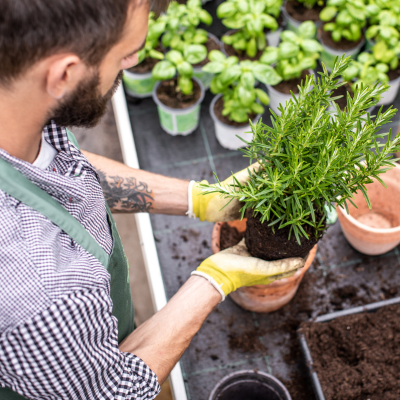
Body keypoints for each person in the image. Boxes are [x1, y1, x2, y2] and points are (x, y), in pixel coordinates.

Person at [0, 0, 305, 399]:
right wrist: (215, 280)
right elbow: (114, 390)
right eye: (126, 54)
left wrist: (198, 198)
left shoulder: (17, 111)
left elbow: (59, 170)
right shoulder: (43, 297)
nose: (135, 62)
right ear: (63, 74)